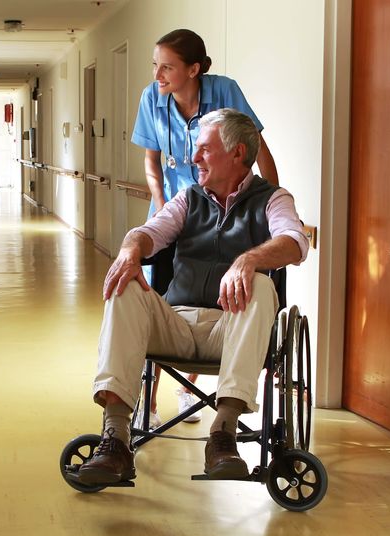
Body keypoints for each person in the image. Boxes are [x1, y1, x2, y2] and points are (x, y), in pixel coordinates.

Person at [76, 109, 308, 485]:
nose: (193, 158)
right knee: (126, 283)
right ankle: (116, 437)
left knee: (262, 285)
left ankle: (223, 434)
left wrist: (249, 260)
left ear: (237, 153)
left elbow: (295, 242)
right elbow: (149, 231)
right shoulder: (189, 199)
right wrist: (129, 251)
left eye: (203, 149)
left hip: (232, 327)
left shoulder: (272, 199)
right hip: (176, 323)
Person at [131, 29, 281, 429]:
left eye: (167, 66)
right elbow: (152, 160)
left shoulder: (224, 91)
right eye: (155, 65)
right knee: (161, 290)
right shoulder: (152, 98)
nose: (158, 74)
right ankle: (147, 400)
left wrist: (268, 199)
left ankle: (191, 390)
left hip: (228, 201)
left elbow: (256, 149)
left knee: (219, 284)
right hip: (178, 206)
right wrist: (162, 206)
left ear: (193, 69)